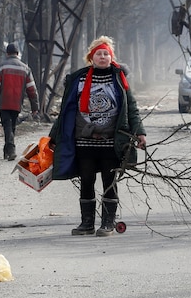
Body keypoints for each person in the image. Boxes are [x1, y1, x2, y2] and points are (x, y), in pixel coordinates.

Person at [48, 36, 147, 237]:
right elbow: (66, 110)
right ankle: (87, 224)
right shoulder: (78, 79)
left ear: (111, 57)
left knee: (109, 180)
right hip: (84, 141)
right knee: (86, 179)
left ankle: (108, 223)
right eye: (99, 54)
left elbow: (132, 109)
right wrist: (53, 137)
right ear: (91, 57)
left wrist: (140, 132)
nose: (103, 57)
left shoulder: (119, 79)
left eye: (106, 54)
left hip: (112, 141)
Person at [0, 43, 40, 161]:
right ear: (17, 54)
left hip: (4, 102)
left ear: (7, 54)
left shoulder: (1, 67)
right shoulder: (25, 68)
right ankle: (7, 151)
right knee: (11, 126)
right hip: (16, 103)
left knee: (7, 125)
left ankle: (10, 150)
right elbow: (32, 89)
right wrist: (34, 107)